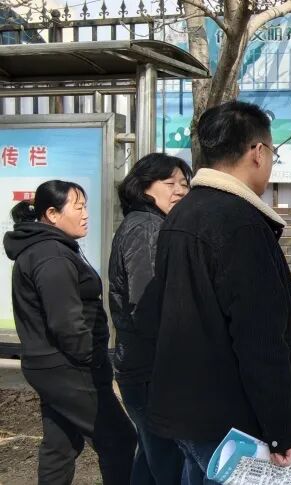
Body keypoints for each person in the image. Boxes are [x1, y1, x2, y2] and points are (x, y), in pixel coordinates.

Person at [143, 100, 291, 484]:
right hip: (229, 421)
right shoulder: (241, 224)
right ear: (257, 152)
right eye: (272, 152)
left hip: (187, 411)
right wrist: (280, 429)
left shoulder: (182, 214)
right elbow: (260, 339)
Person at [3, 180, 135, 485]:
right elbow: (66, 323)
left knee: (61, 445)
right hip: (69, 368)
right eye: (78, 207)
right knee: (119, 439)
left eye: (85, 206)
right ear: (52, 214)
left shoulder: (45, 249)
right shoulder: (52, 255)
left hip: (51, 365)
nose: (86, 214)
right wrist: (92, 359)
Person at [108, 153, 192, 484]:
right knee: (168, 463)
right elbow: (148, 305)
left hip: (142, 367)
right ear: (143, 188)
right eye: (169, 183)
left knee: (151, 457)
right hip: (150, 369)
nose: (180, 190)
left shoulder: (150, 224)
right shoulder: (146, 228)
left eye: (184, 184)